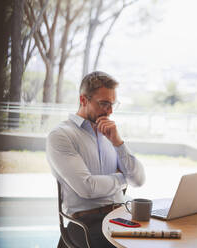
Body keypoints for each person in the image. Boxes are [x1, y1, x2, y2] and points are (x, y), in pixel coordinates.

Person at [46, 71, 145, 248]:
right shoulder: (61, 135)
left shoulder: (110, 133)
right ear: (83, 100)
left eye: (113, 104)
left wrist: (118, 142)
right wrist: (123, 178)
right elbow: (87, 188)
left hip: (121, 216)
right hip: (87, 223)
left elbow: (138, 179)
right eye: (104, 103)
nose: (110, 110)